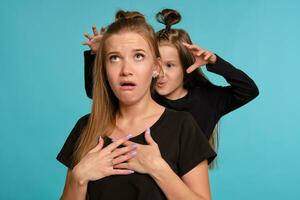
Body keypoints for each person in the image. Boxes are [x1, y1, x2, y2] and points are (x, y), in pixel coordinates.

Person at [57, 10, 216, 200]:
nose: (126, 70)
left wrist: (158, 169)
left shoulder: (183, 126)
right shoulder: (85, 127)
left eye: (138, 56)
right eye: (114, 58)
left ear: (156, 68)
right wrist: (79, 178)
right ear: (104, 69)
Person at [82, 9, 259, 154]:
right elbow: (97, 93)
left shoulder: (207, 100)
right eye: (157, 65)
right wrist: (96, 56)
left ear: (185, 66)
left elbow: (248, 90)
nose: (161, 73)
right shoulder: (145, 96)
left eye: (170, 65)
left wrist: (215, 62)